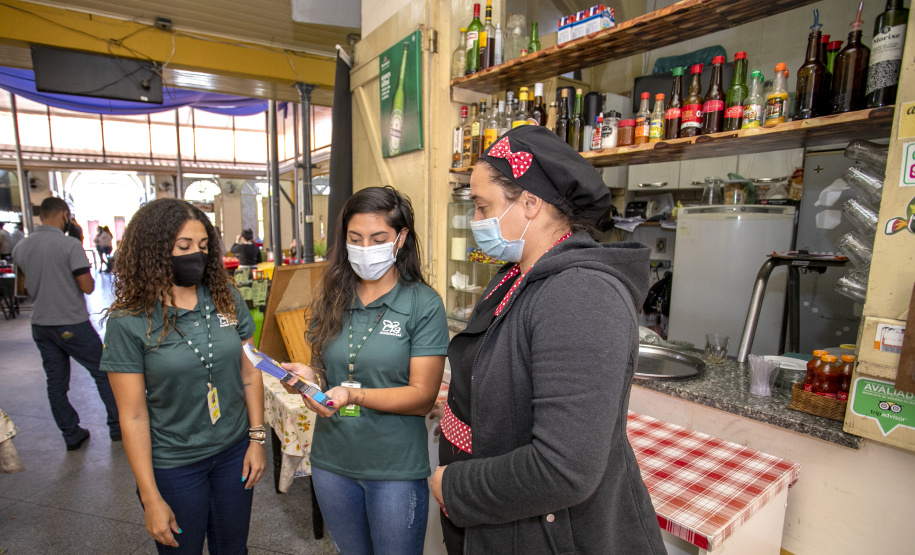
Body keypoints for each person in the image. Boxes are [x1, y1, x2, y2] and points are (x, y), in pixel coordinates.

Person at [430, 125, 666, 554]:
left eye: (483, 207)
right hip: (499, 521)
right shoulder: (515, 277)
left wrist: (454, 485)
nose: (476, 221)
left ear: (531, 202)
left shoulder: (581, 295)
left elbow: (564, 469)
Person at [282, 186, 449, 554]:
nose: (365, 247)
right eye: (355, 238)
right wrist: (311, 383)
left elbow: (422, 397)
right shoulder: (333, 296)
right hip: (332, 462)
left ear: (401, 238)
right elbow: (323, 369)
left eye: (378, 238)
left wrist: (354, 394)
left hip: (395, 470)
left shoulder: (423, 304)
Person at [100, 198, 265, 553]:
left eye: (204, 247)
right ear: (154, 251)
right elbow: (131, 415)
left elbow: (250, 371)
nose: (197, 256)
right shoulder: (129, 321)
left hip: (234, 452)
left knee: (233, 548)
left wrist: (256, 439)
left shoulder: (225, 297)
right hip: (175, 464)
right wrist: (150, 497)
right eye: (184, 247)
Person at [11, 197, 120, 450]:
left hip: (40, 324)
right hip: (71, 322)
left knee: (56, 382)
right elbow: (88, 286)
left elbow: (21, 288)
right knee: (104, 371)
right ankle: (117, 426)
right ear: (64, 214)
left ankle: (71, 434)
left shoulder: (21, 247)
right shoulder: (69, 245)